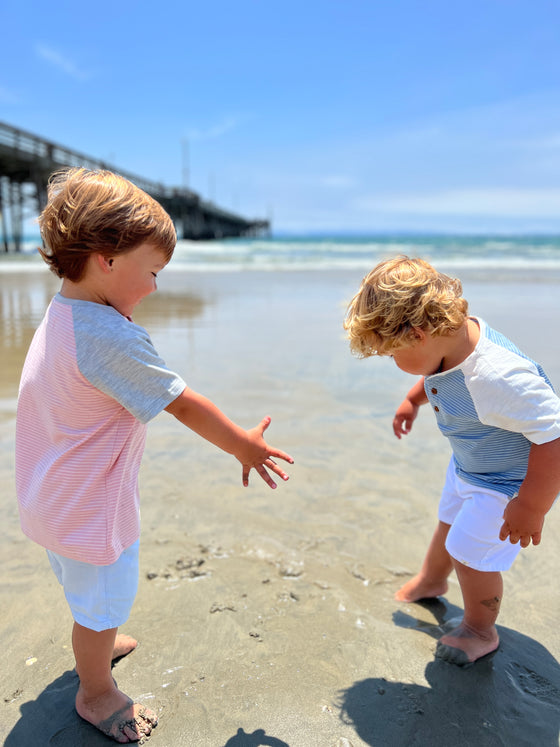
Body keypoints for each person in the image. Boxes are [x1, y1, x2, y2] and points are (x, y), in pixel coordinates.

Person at [15, 168, 293, 743]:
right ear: (106, 260)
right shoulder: (110, 337)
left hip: (51, 498)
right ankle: (95, 691)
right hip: (92, 511)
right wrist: (243, 444)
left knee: (84, 589)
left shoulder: (65, 312)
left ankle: (97, 638)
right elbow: (182, 403)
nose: (156, 288)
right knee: (104, 596)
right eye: (154, 272)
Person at [344, 256, 560, 666]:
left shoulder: (498, 376)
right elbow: (440, 373)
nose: (393, 363)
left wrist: (532, 506)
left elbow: (554, 434)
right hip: (470, 464)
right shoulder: (450, 343)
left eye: (393, 354)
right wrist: (413, 400)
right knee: (448, 519)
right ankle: (432, 580)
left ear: (419, 334)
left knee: (467, 549)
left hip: (509, 483)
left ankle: (480, 628)